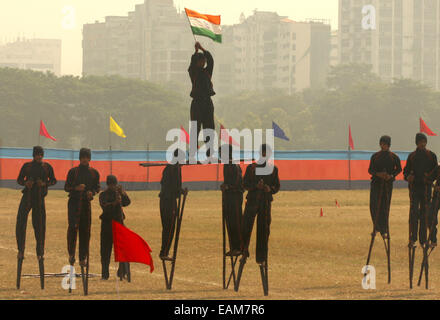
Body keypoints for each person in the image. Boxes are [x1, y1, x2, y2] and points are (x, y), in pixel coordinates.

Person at [16, 146, 56, 269]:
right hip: (27, 197)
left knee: (39, 225)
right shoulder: (27, 166)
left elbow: (54, 181)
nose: (39, 156)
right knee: (21, 222)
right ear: (33, 155)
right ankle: (21, 249)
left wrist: (44, 184)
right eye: (37, 154)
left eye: (41, 154)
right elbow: (19, 180)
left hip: (39, 198)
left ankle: (40, 251)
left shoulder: (47, 167)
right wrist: (26, 183)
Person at [241, 144, 280, 265]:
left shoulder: (273, 169)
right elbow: (245, 184)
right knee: (246, 226)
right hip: (252, 200)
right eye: (263, 153)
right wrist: (255, 187)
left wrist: (270, 189)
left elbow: (277, 186)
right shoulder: (251, 168)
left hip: (265, 203)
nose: (265, 155)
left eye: (266, 153)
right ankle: (243, 250)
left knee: (264, 229)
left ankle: (261, 257)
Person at [64, 148, 100, 267]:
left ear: (89, 158)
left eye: (87, 157)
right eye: (83, 157)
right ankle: (71, 253)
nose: (85, 159)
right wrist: (76, 188)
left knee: (85, 230)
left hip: (86, 205)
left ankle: (83, 256)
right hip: (74, 203)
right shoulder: (73, 172)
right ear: (80, 158)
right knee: (73, 228)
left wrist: (92, 193)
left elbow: (97, 188)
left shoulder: (94, 173)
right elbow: (66, 187)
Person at [404, 133, 438, 248]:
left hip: (426, 188)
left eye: (424, 142)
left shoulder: (431, 156)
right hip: (414, 188)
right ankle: (412, 239)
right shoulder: (412, 156)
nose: (422, 144)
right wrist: (408, 177)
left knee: (424, 213)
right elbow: (406, 172)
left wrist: (429, 178)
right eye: (420, 142)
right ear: (417, 143)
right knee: (413, 213)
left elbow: (436, 172)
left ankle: (423, 240)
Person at [368, 135, 402, 239]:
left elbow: (399, 169)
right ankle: (376, 227)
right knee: (373, 205)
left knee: (385, 207)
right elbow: (370, 170)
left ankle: (384, 230)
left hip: (387, 185)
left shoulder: (393, 156)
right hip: (376, 184)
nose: (383, 146)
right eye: (382, 144)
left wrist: (391, 176)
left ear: (389, 145)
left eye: (385, 144)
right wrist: (378, 174)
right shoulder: (375, 156)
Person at [99, 175, 131, 280]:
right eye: (112, 184)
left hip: (119, 223)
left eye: (114, 184)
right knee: (105, 250)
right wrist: (114, 203)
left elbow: (127, 202)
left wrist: (123, 193)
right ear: (108, 184)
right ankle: (105, 274)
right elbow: (104, 206)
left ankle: (122, 272)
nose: (113, 186)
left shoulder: (119, 194)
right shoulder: (103, 194)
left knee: (123, 249)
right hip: (107, 224)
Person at [188, 41, 215, 158]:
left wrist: (203, 49)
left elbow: (211, 61)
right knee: (195, 129)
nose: (203, 62)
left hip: (207, 103)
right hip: (197, 103)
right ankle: (193, 156)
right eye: (201, 61)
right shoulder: (194, 72)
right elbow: (192, 64)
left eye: (204, 60)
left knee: (209, 128)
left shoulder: (207, 72)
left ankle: (210, 155)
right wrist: (196, 51)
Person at [159, 149, 187, 260]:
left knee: (167, 227)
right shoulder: (175, 169)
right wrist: (181, 191)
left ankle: (164, 251)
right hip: (169, 201)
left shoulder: (169, 168)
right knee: (170, 227)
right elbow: (174, 186)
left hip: (164, 200)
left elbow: (165, 183)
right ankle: (164, 252)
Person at [220, 144, 244, 256]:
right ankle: (233, 247)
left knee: (236, 221)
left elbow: (238, 183)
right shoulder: (226, 165)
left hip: (235, 197)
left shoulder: (233, 165)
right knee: (229, 222)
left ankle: (239, 247)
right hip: (228, 197)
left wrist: (228, 187)